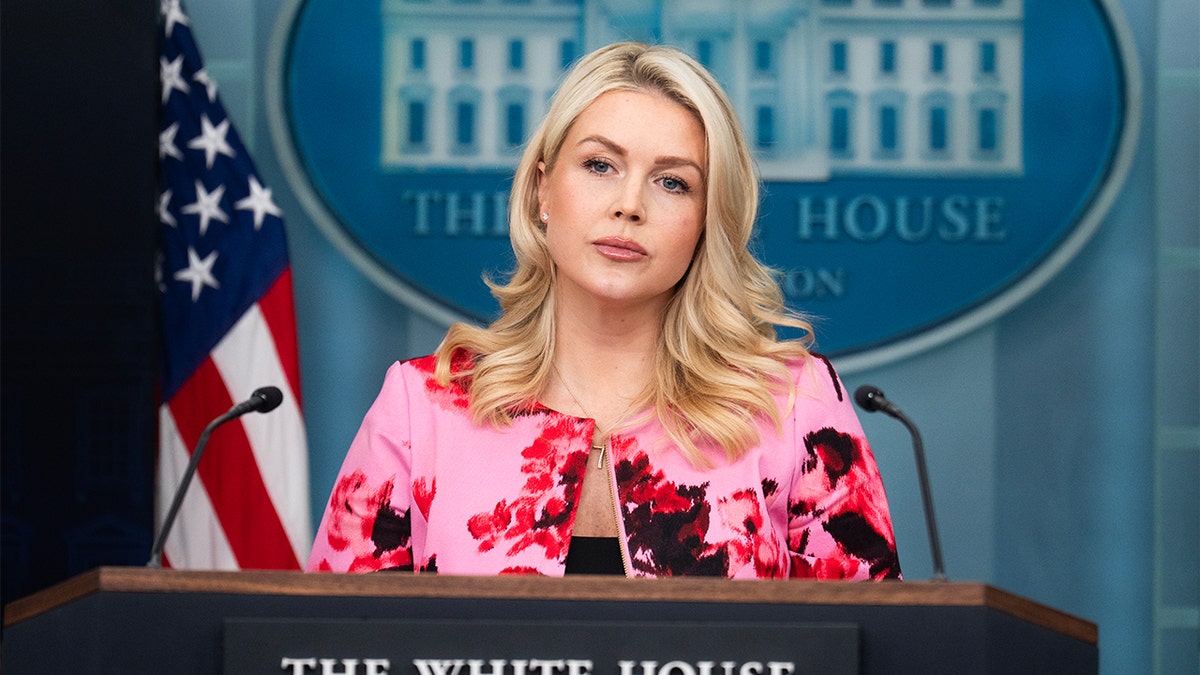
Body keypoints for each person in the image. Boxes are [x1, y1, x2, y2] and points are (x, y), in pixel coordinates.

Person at [307, 42, 902, 580]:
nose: (629, 204)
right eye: (600, 165)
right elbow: (336, 639)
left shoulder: (794, 407)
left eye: (672, 183)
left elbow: (869, 642)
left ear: (706, 220)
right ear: (543, 191)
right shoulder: (423, 408)